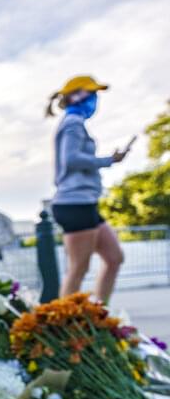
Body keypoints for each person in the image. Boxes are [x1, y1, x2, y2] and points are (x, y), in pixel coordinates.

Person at [46, 75, 130, 302]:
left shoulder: (75, 123)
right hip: (73, 204)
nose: (95, 99)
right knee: (78, 270)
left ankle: (98, 314)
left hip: (85, 203)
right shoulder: (72, 123)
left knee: (114, 258)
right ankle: (62, 326)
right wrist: (107, 161)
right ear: (77, 96)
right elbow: (71, 159)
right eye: (92, 93)